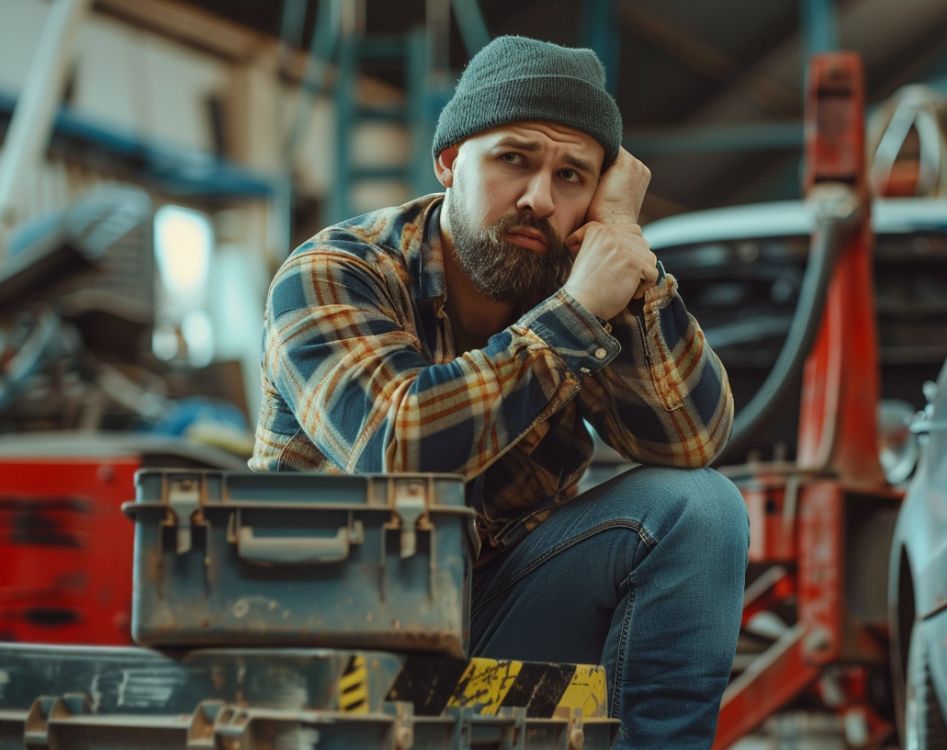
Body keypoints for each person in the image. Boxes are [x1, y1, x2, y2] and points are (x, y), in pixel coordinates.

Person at [251, 35, 748, 748]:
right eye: (514, 159)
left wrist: (624, 256)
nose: (539, 198)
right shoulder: (337, 270)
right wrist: (574, 317)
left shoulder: (571, 276)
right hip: (332, 639)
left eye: (572, 176)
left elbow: (690, 441)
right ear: (449, 161)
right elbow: (398, 448)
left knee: (701, 511)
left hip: (491, 618)